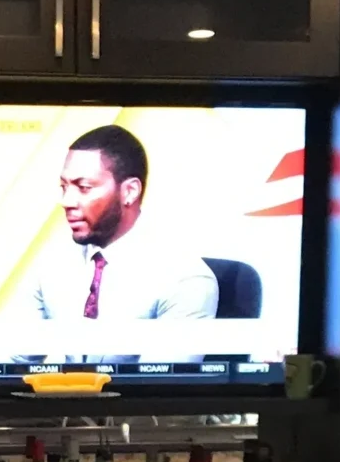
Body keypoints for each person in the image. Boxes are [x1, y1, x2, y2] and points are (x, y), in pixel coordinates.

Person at [16, 124, 217, 362]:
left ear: (130, 192)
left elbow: (160, 389)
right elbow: (6, 359)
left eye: (84, 188)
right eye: (64, 187)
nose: (66, 201)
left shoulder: (186, 279)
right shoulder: (51, 263)